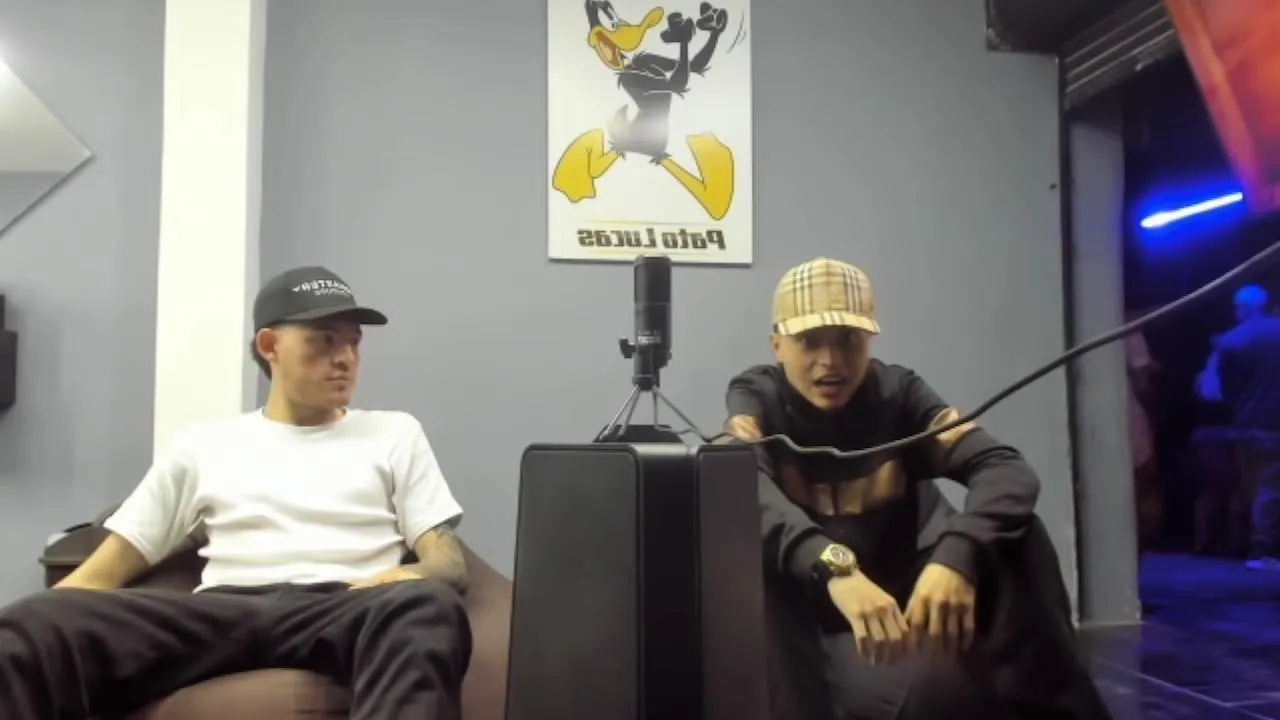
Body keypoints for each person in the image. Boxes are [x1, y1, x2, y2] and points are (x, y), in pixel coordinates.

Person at [0, 266, 472, 719]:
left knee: (428, 608)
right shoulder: (203, 444)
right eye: (325, 340)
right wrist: (46, 619)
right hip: (223, 612)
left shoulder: (395, 433)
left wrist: (408, 578)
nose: (346, 358)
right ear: (270, 345)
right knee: (27, 627)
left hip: (345, 604)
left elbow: (447, 561)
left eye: (354, 341)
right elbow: (99, 576)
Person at [721, 258, 1111, 720]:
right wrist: (834, 566)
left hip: (902, 605)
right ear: (777, 345)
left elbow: (1004, 468)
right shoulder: (757, 396)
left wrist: (958, 554)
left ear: (870, 340)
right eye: (809, 341)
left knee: (1020, 537)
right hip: (808, 622)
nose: (831, 360)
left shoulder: (899, 393)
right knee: (752, 560)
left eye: (848, 339)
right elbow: (739, 484)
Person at [1213, 284, 1280, 569]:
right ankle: (1263, 550)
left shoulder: (1230, 340)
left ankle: (1251, 544)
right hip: (1273, 423)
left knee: (1253, 488)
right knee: (1270, 489)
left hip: (1243, 424)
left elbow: (1222, 390)